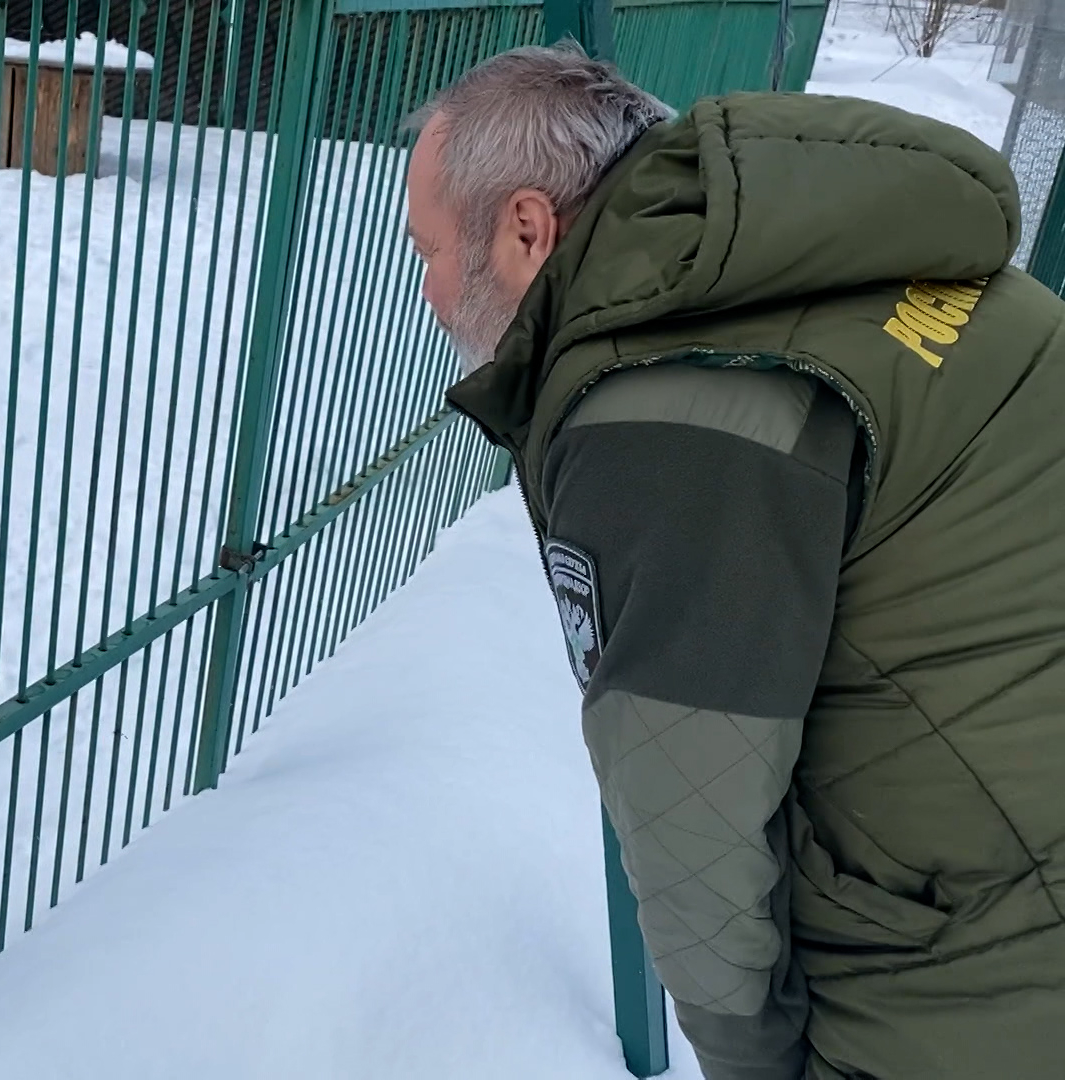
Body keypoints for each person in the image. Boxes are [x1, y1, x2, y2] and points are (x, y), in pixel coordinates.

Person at [407, 41, 1065, 1080]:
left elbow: (692, 823)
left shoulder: (661, 421)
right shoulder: (819, 249)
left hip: (983, 959)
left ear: (528, 229)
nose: (431, 291)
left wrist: (759, 1063)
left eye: (430, 250)